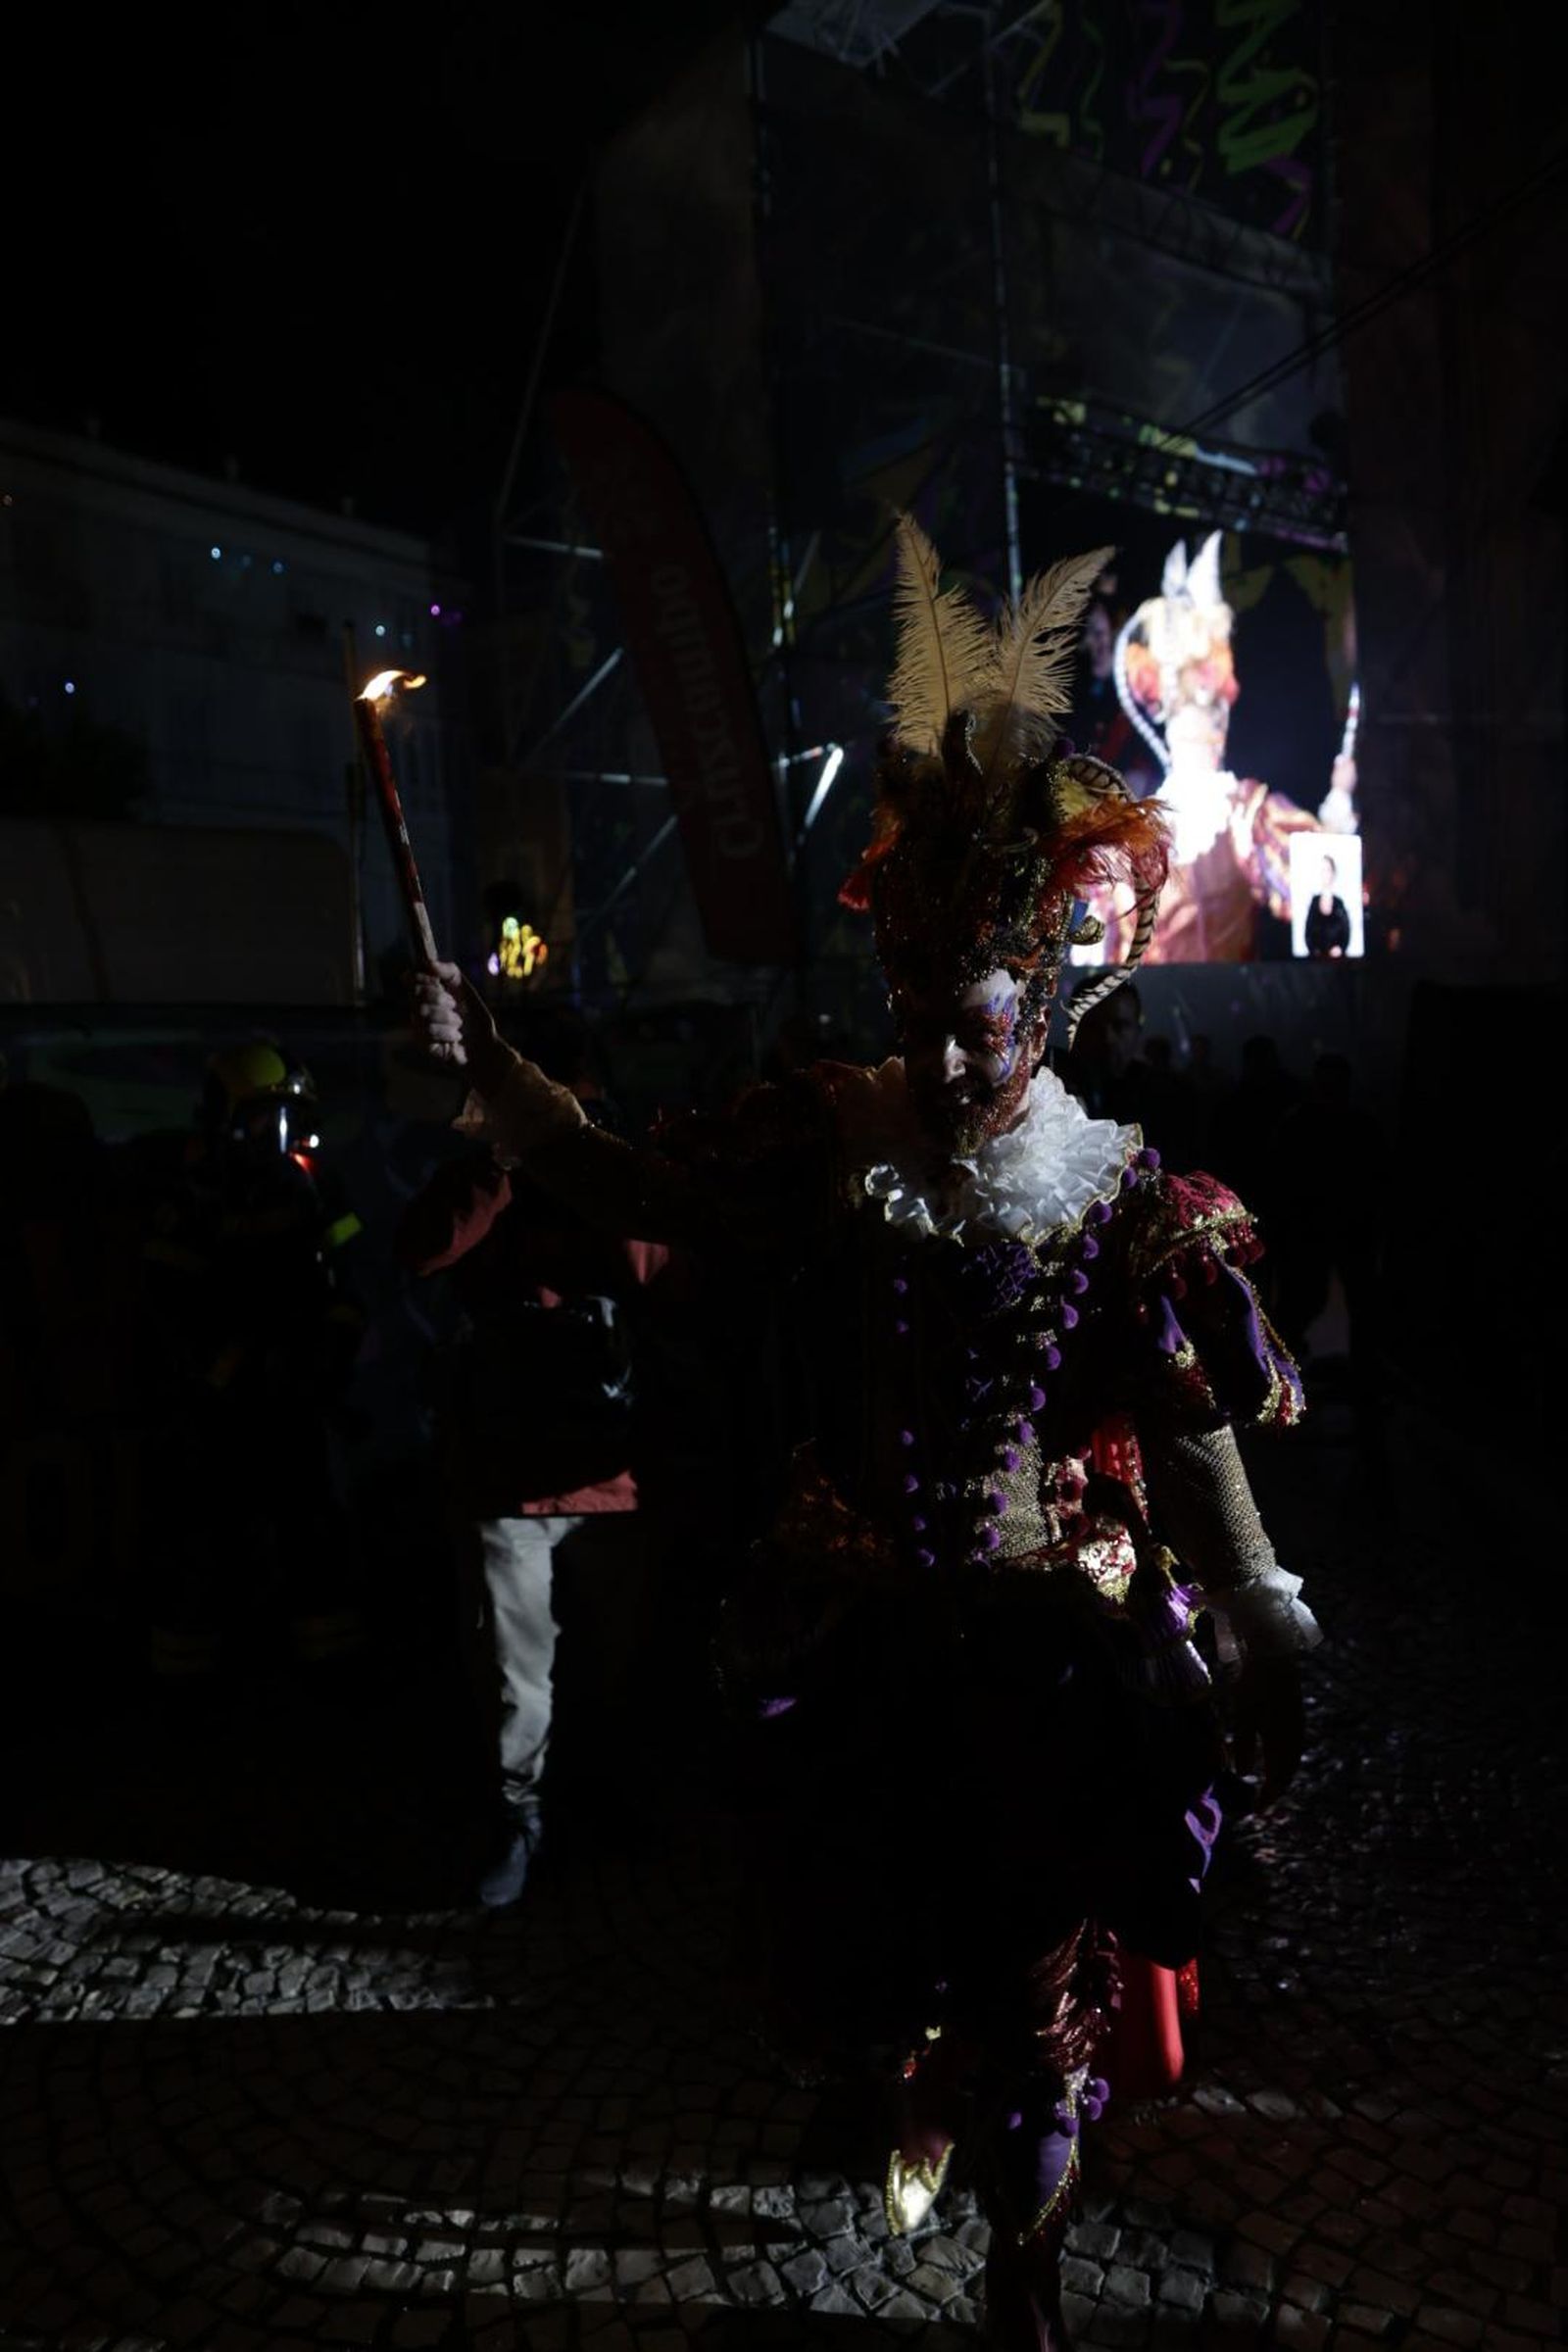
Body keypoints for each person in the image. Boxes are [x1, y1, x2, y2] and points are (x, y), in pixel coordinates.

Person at [410, 514, 1320, 2350]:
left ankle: (1025, 2271)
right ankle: (907, 2088)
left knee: (1043, 1970)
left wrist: (1261, 1603)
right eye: (913, 1011)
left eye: (972, 1018)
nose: (943, 1050)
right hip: (858, 1637)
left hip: (1050, 1648)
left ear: (1042, 999)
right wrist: (497, 1085)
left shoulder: (1120, 1193)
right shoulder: (835, 1137)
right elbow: (638, 1176)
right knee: (871, 1947)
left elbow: (1193, 1415)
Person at [396, 1009, 670, 1907]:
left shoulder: (618, 1176)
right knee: (518, 1684)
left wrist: (590, 1164)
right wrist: (507, 1159)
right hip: (508, 1474)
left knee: (618, 1669)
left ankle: (610, 1807)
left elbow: (647, 1269)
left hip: (610, 1472)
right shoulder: (488, 1175)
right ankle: (521, 1822)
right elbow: (426, 1249)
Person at [128, 1041, 367, 1688]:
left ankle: (328, 1677)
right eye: (266, 1113)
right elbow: (169, 1302)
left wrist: (327, 1356)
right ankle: (186, 1688)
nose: (277, 1129)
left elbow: (350, 1281)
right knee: (199, 1542)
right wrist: (225, 1369)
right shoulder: (194, 1188)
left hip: (296, 1390)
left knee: (313, 1531)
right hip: (217, 1402)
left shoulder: (313, 1182)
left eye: (286, 1114)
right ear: (228, 1114)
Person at [1100, 533, 1347, 962]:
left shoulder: (1242, 813)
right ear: (1166, 711)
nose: (1204, 721)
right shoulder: (1129, 838)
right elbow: (1102, 960)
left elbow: (1318, 886)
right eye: (1190, 704)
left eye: (1210, 704)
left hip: (1229, 1017)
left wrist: (1340, 801)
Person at [1303, 853, 1352, 958]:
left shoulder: (1339, 903)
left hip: (1337, 963)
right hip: (1316, 963)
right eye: (1322, 870)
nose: (1325, 873)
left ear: (1333, 873)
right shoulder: (1314, 902)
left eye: (1328, 869)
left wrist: (1340, 949)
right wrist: (1315, 951)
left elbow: (1346, 931)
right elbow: (1308, 933)